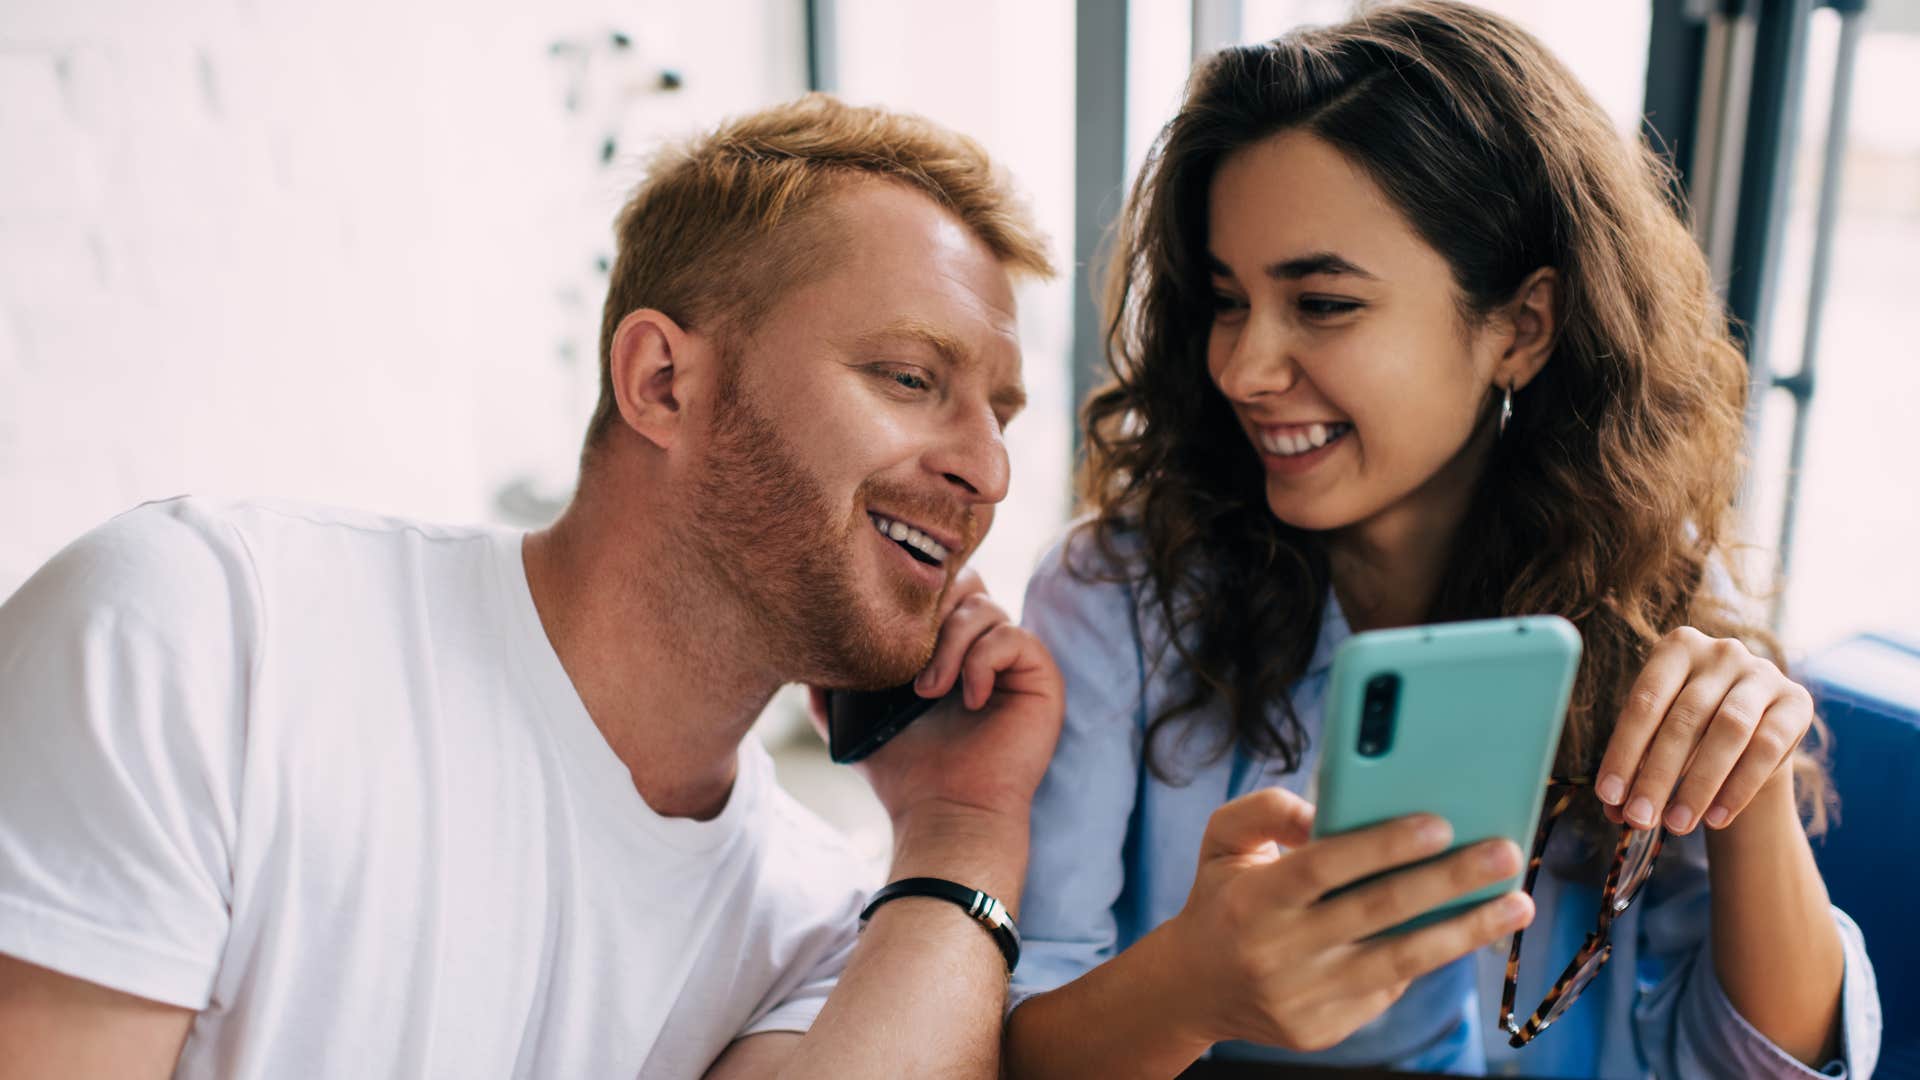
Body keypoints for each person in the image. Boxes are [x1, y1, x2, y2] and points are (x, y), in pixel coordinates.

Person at [0, 95, 1066, 1079]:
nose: (990, 470)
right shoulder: (211, 634)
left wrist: (965, 822)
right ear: (663, 382)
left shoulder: (822, 928)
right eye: (911, 379)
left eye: (1001, 416)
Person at [1001, 4, 1881, 1078]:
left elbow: (1752, 1065)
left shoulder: (1648, 595)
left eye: (1321, 303)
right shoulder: (1118, 596)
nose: (1241, 367)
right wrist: (1190, 989)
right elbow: (1008, 1041)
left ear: (1521, 327)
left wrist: (1755, 797)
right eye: (1228, 301)